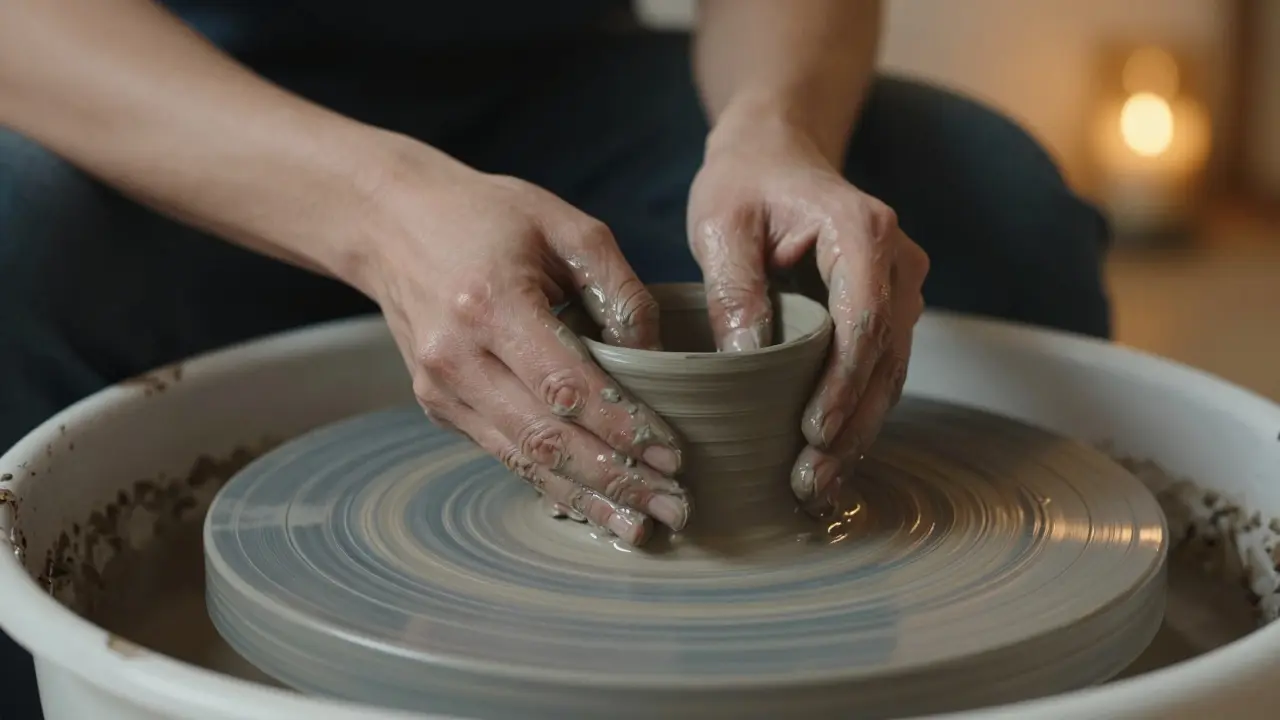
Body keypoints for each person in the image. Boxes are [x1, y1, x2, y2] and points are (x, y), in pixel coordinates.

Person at [0, 0, 1112, 716]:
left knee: (991, 208)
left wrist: (772, 126)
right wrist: (379, 207)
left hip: (557, 73)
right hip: (181, 80)